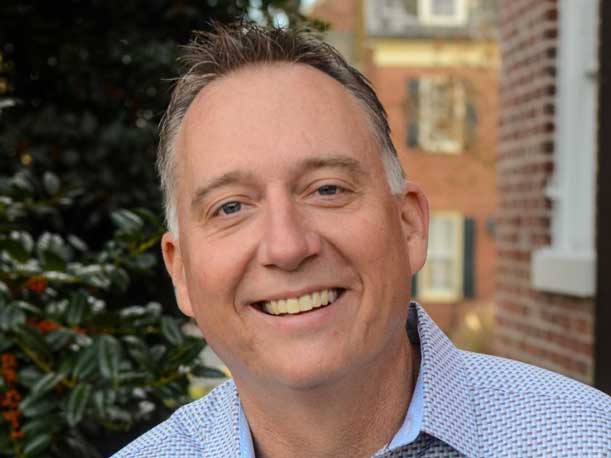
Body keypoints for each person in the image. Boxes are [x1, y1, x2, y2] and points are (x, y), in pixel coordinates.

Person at [112, 23, 611, 458]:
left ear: (409, 224)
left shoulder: (587, 440)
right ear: (181, 272)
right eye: (231, 207)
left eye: (327, 189)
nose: (287, 247)